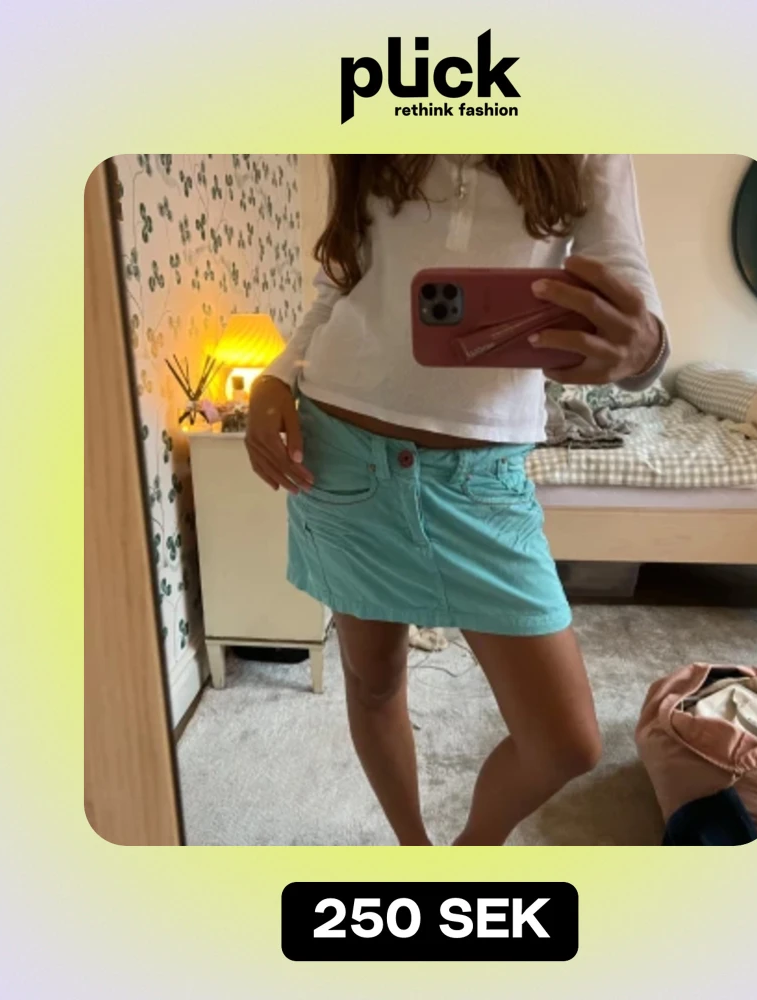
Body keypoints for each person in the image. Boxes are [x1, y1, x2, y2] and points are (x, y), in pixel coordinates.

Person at [246, 154, 668, 846]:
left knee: (567, 742)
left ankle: (472, 853)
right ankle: (417, 856)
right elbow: (339, 282)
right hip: (342, 449)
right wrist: (275, 374)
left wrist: (645, 349)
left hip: (484, 476)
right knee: (373, 683)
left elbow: (625, 281)